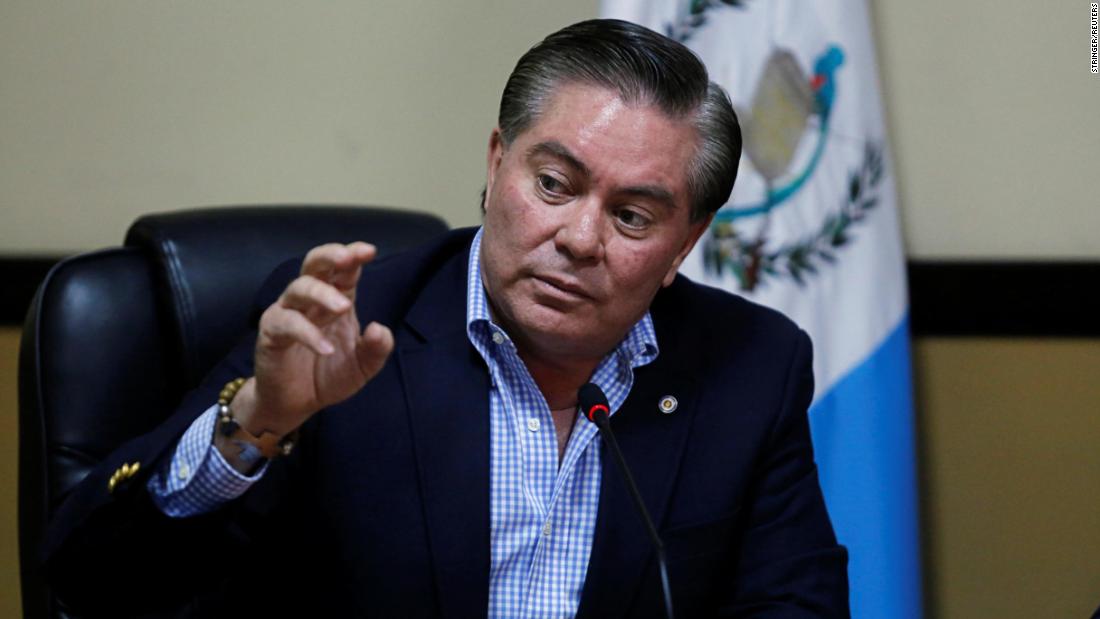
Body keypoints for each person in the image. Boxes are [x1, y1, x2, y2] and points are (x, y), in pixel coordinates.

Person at [44, 19, 848, 618]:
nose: (577, 238)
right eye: (555, 185)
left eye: (633, 216)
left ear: (684, 243)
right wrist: (260, 419)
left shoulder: (750, 363)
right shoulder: (345, 325)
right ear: (498, 164)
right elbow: (92, 581)